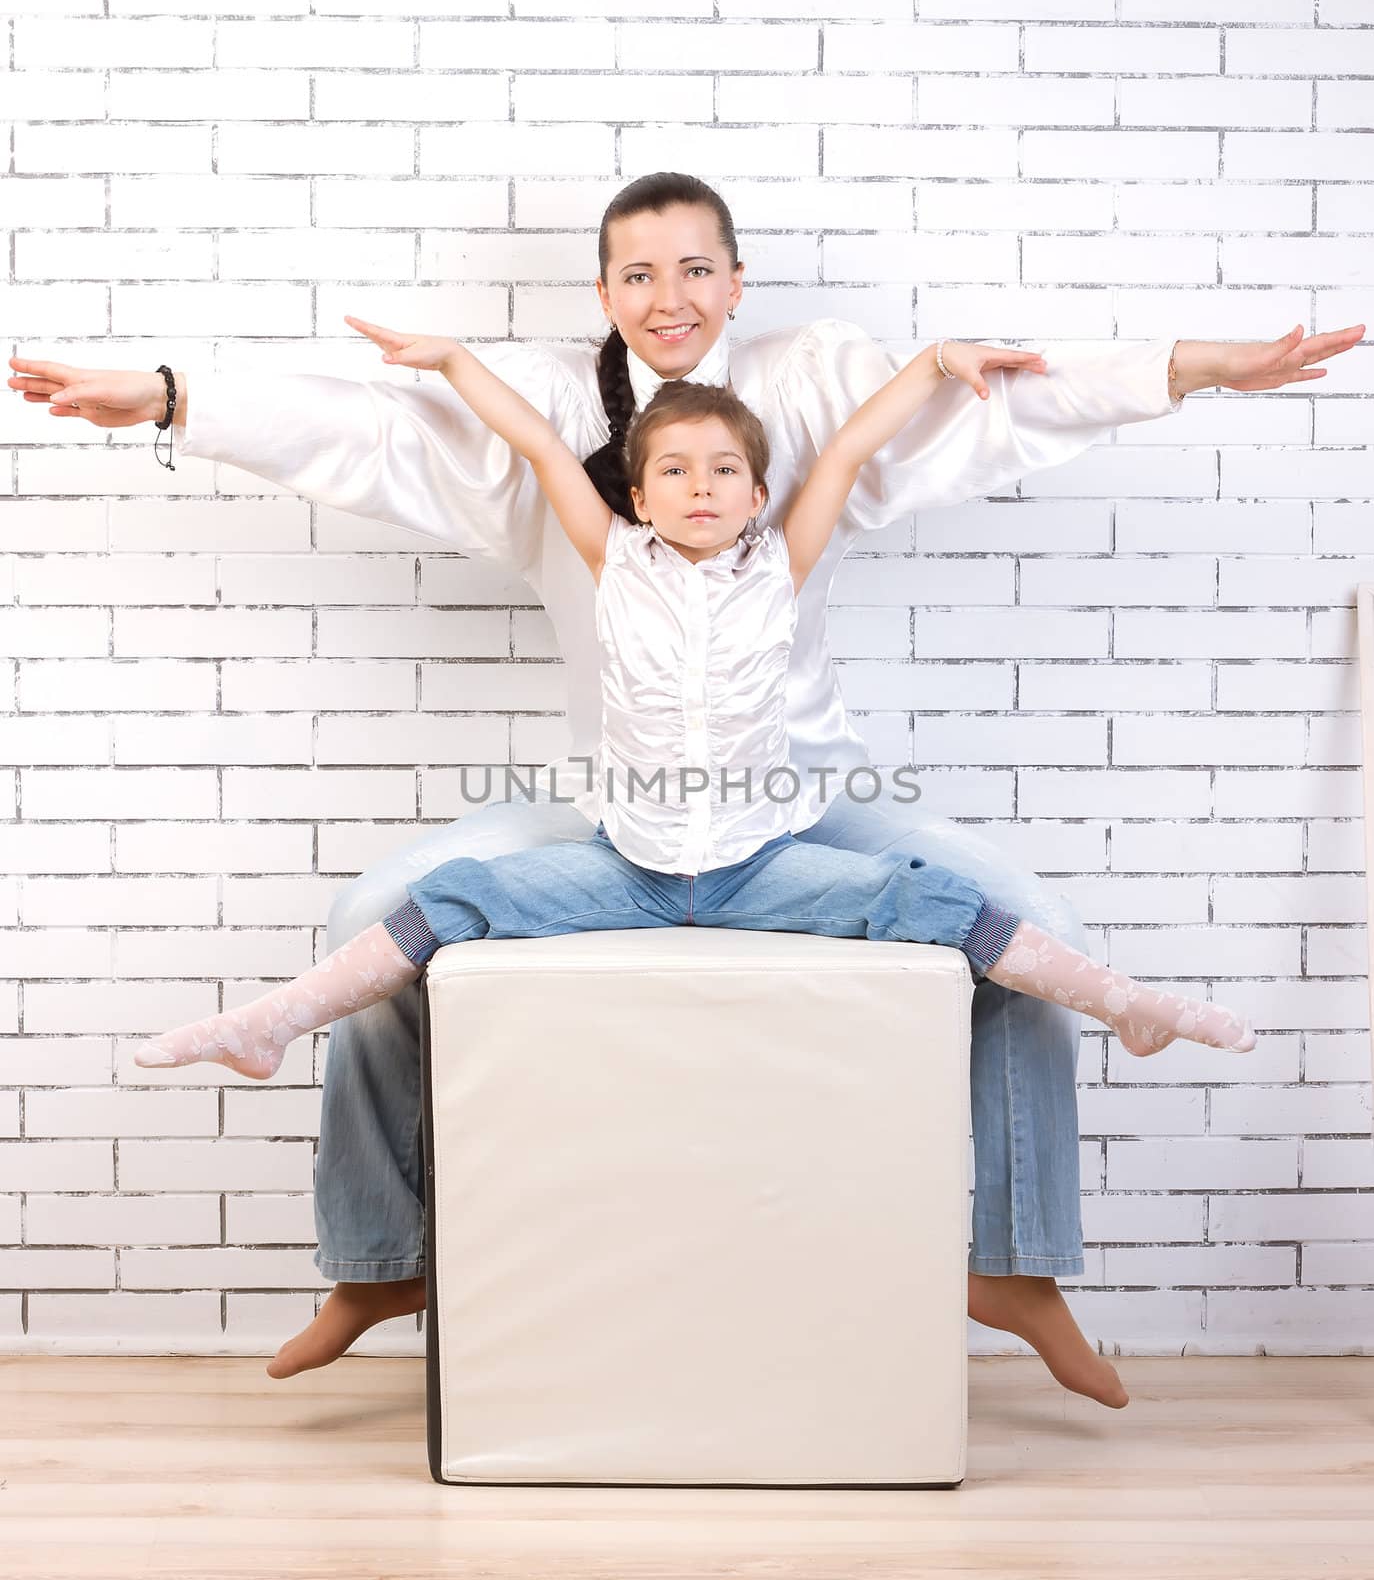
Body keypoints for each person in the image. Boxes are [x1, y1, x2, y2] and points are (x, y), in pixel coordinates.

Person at [8, 173, 1361, 1408]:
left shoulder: (805, 388)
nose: (669, 297)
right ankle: (379, 1259)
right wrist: (179, 397)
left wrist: (1191, 370)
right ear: (603, 292)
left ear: (735, 281)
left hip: (803, 805)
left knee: (1020, 918)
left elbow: (978, 408)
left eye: (696, 269)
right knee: (379, 911)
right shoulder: (546, 405)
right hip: (615, 812)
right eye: (638, 273)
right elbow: (368, 428)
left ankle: (1016, 1264)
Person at [133, 339, 1255, 1172]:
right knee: (462, 894)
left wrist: (931, 364)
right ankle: (273, 1021)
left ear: (759, 495)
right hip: (631, 867)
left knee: (935, 901)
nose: (701, 488)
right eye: (674, 471)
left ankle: (1127, 1003)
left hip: (760, 868)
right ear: (638, 492)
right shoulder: (613, 558)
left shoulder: (782, 562)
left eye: (724, 472)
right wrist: (452, 361)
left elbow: (858, 445)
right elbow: (530, 439)